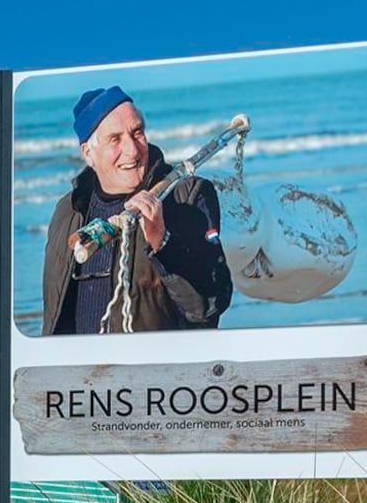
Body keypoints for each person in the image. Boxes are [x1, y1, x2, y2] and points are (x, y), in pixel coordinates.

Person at [41, 85, 233, 335]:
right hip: (80, 371)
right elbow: (53, 314)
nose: (132, 151)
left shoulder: (187, 194)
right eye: (115, 139)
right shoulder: (68, 210)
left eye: (137, 132)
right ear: (89, 153)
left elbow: (207, 308)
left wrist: (162, 244)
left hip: (156, 369)